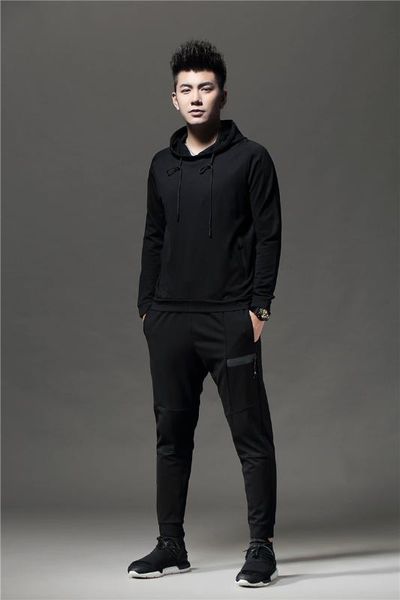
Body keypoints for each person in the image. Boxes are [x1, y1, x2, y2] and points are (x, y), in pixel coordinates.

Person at [128, 38, 282, 587]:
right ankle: (171, 544)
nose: (196, 98)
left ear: (223, 95)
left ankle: (261, 547)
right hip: (169, 320)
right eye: (186, 89)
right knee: (171, 435)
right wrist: (146, 307)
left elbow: (269, 235)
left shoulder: (251, 159)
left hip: (229, 318)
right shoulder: (160, 166)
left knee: (251, 435)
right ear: (174, 99)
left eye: (206, 88)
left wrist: (258, 307)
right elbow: (153, 237)